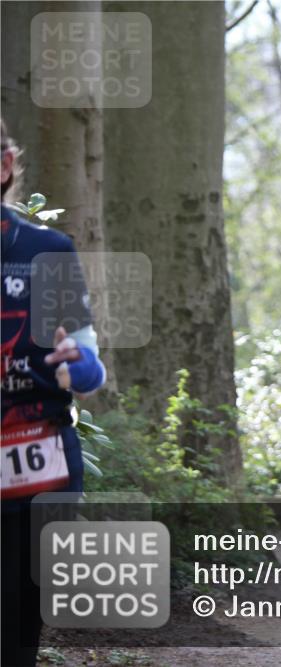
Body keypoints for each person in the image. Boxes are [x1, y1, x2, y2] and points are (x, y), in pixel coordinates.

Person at [1, 120, 107, 666]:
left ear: (5, 166)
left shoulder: (49, 250)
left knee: (24, 610)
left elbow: (92, 372)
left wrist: (78, 364)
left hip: (42, 456)